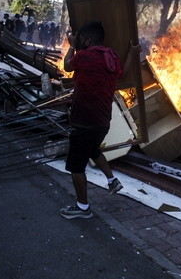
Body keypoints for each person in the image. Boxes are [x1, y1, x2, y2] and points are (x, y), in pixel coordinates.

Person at [60, 21, 142, 219]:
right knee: (94, 150)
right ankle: (111, 180)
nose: (77, 42)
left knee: (76, 166)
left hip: (84, 121)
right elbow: (123, 75)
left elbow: (67, 66)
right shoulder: (111, 56)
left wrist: (71, 45)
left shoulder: (84, 56)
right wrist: (131, 53)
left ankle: (83, 208)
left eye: (79, 39)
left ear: (87, 40)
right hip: (102, 122)